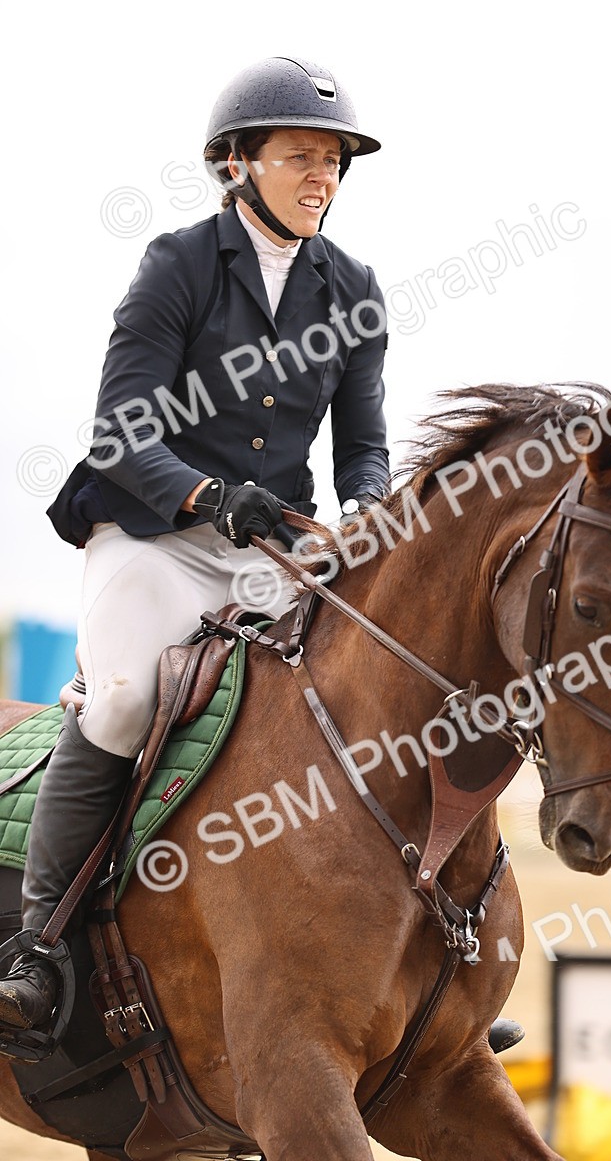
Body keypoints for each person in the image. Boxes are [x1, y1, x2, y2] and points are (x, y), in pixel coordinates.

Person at [0, 56, 390, 1033]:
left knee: (352, 705)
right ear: (234, 165)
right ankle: (41, 946)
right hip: (154, 532)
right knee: (128, 699)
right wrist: (213, 499)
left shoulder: (352, 290)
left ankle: (400, 965)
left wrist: (375, 516)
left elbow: (365, 445)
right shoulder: (177, 265)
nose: (322, 177)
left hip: (273, 548)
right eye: (300, 156)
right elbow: (120, 429)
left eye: (334, 160)